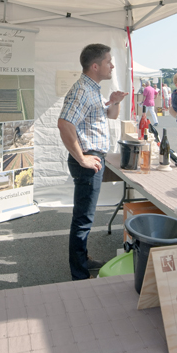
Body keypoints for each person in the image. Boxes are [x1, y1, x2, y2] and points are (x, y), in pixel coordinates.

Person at [58, 44, 128, 280]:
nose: (112, 65)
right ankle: (79, 275)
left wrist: (114, 102)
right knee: (83, 218)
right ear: (95, 66)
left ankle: (83, 260)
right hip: (88, 160)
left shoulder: (93, 89)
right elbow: (64, 124)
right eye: (109, 61)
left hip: (93, 158)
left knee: (84, 216)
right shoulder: (82, 90)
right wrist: (82, 158)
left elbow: (111, 116)